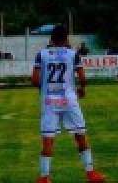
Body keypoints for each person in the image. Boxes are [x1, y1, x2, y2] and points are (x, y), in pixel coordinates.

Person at [32, 24, 107, 183]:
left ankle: (44, 177)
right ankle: (90, 173)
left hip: (49, 101)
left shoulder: (42, 55)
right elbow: (83, 78)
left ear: (51, 39)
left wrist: (45, 89)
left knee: (48, 138)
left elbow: (35, 80)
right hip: (69, 99)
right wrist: (82, 89)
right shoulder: (73, 55)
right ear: (66, 38)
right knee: (80, 134)